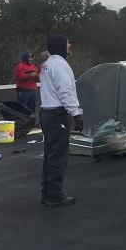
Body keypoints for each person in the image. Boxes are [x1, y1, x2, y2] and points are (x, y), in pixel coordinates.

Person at [39, 35, 83, 207]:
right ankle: (54, 195)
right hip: (57, 115)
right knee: (58, 156)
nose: (70, 45)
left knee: (50, 155)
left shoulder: (47, 64)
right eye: (67, 43)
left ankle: (48, 192)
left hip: (47, 113)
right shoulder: (59, 65)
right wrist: (76, 114)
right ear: (60, 45)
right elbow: (65, 91)